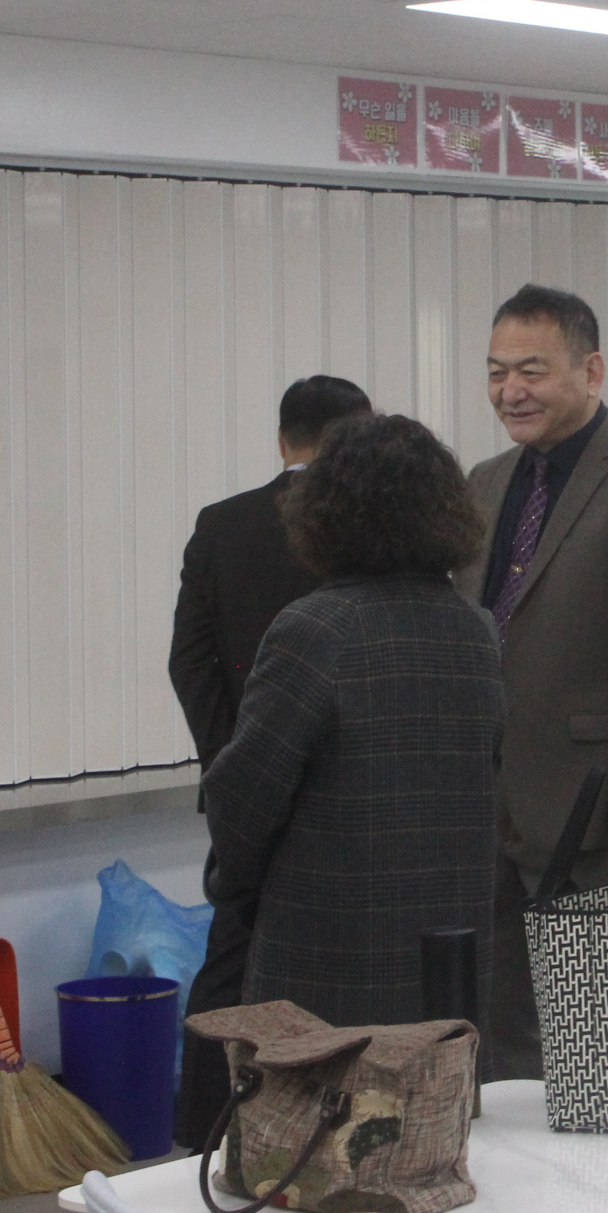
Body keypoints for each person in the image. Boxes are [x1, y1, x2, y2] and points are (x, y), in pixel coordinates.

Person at [451, 284, 608, 1081]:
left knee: (597, 1048)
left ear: (591, 372)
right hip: (485, 810)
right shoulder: (484, 482)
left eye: (531, 370)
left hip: (593, 814)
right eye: (496, 372)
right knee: (497, 1042)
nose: (510, 391)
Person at [202, 414, 504, 1026]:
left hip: (326, 948)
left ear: (325, 512)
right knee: (439, 1087)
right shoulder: (476, 629)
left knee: (327, 1089)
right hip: (451, 950)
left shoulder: (314, 629)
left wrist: (232, 886)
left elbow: (246, 795)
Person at [168, 373, 371, 1150]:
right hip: (346, 790)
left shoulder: (221, 525)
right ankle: (329, 1133)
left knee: (232, 955)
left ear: (282, 438)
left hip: (242, 792)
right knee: (344, 959)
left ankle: (200, 1134)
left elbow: (190, 662)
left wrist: (235, 764)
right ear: (360, 438)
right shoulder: (370, 529)